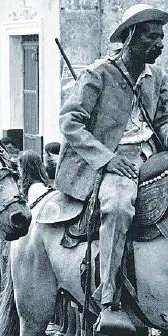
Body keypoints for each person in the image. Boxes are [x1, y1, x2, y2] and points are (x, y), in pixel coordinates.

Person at [56, 4, 168, 331]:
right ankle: (109, 298)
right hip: (114, 159)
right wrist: (106, 158)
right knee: (118, 208)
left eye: (161, 38)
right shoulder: (98, 74)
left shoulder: (158, 77)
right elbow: (70, 121)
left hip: (151, 153)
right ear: (131, 36)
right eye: (152, 37)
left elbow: (162, 119)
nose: (159, 44)